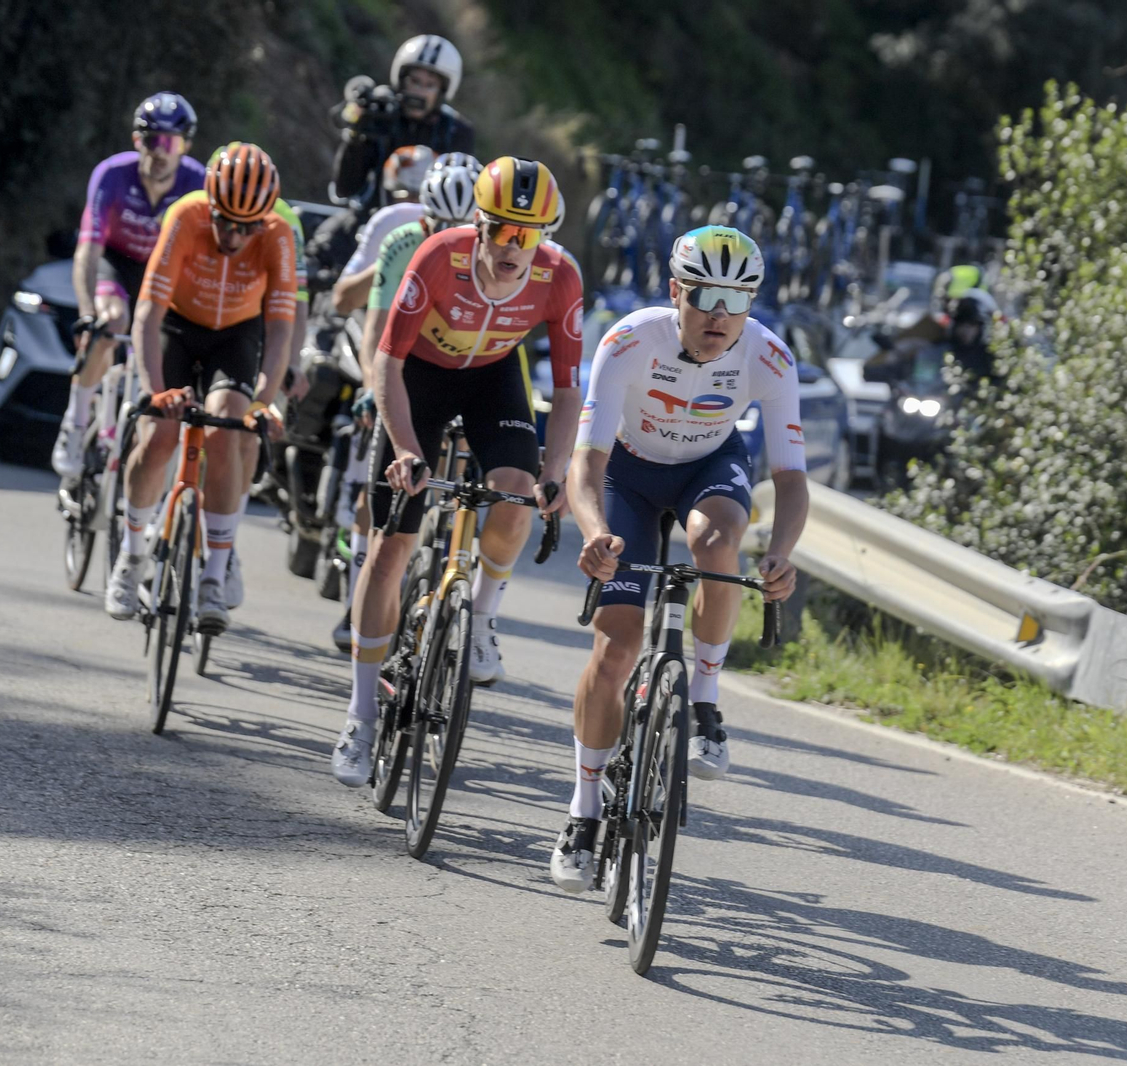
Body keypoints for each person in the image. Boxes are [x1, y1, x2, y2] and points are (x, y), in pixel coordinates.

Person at [549, 226, 809, 893]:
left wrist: (780, 554)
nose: (721, 314)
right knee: (617, 646)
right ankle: (582, 811)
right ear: (676, 291)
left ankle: (705, 700)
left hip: (708, 469)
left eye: (738, 298)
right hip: (628, 477)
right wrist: (596, 532)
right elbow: (587, 462)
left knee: (720, 549)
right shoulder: (630, 341)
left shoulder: (769, 357)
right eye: (706, 295)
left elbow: (792, 479)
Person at [330, 156, 583, 787]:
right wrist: (408, 448)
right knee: (391, 549)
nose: (514, 248)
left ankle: (483, 615)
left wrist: (556, 472)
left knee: (516, 493)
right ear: (480, 224)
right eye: (503, 231)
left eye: (530, 236)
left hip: (494, 377)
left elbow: (570, 390)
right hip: (419, 376)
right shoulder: (438, 257)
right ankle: (360, 716)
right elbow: (387, 364)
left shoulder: (560, 276)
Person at [104, 145, 296, 634]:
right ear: (209, 205)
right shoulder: (185, 216)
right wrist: (153, 391)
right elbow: (147, 312)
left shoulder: (277, 235)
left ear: (264, 219)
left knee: (227, 429)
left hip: (235, 335)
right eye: (225, 222)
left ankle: (214, 574)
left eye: (246, 226)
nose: (233, 236)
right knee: (159, 438)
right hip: (177, 325)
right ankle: (130, 558)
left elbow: (279, 330)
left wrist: (263, 401)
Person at [327, 153, 482, 652]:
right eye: (440, 226)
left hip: (458, 371)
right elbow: (378, 327)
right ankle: (359, 601)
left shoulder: (489, 256)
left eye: (462, 227)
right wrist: (375, 389)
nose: (448, 239)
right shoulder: (401, 241)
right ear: (424, 217)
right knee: (380, 496)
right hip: (403, 368)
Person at [52, 92, 204, 478]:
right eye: (152, 140)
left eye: (172, 142)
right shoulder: (112, 175)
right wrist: (88, 313)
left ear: (185, 146)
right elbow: (88, 250)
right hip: (117, 265)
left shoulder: (198, 183)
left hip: (163, 273)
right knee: (111, 324)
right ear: (138, 141)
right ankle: (75, 419)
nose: (161, 151)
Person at [331, 35, 474, 207]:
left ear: (442, 91)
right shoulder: (378, 114)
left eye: (430, 85)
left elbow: (459, 200)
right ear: (402, 80)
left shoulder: (456, 131)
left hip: (429, 225)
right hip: (369, 217)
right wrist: (355, 136)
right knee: (325, 234)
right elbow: (345, 189)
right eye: (415, 81)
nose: (420, 91)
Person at [330, 146, 454, 315]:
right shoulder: (388, 219)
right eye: (406, 196)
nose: (413, 205)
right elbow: (342, 301)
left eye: (420, 197)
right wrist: (392, 259)